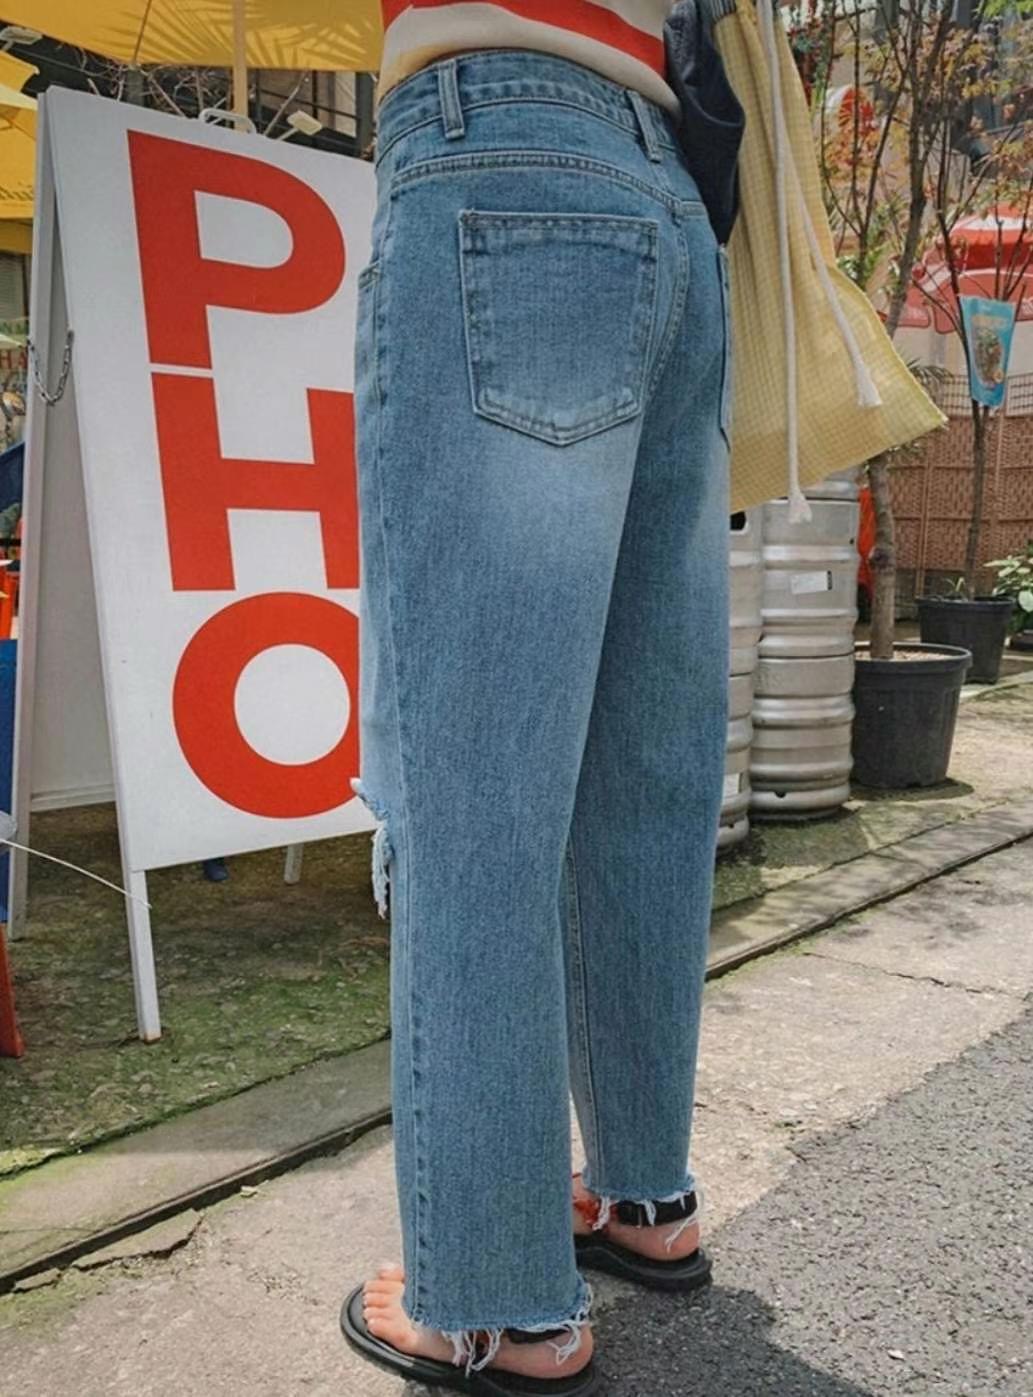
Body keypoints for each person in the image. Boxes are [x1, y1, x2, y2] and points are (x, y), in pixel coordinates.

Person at [341, 4, 737, 1392]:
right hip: (671, 196)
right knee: (643, 769)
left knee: (475, 793)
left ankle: (497, 1303)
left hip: (495, 147)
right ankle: (645, 1196)